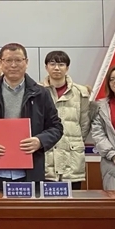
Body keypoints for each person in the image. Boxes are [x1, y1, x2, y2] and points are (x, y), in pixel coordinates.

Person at [0, 42, 63, 191]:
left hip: (30, 173)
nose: (13, 65)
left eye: (18, 60)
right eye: (8, 60)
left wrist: (40, 141)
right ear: (1, 63)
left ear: (26, 62)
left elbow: (56, 127)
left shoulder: (40, 94)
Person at [41, 51, 90, 190]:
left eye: (61, 64)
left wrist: (72, 142)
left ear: (67, 68)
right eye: (52, 64)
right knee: (45, 199)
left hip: (72, 157)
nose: (57, 68)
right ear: (46, 67)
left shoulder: (80, 92)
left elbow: (84, 124)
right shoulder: (37, 91)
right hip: (47, 157)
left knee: (73, 199)